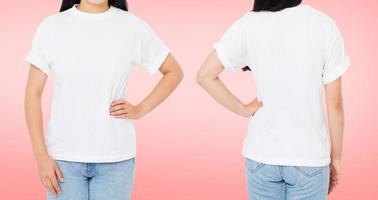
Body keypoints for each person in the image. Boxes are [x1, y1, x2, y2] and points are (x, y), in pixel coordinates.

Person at [24, 0, 183, 199]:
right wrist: (40, 156)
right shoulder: (52, 27)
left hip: (115, 160)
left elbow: (174, 71)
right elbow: (33, 94)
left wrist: (141, 109)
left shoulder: (131, 26)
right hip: (63, 160)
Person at [196, 0, 349, 199]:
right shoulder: (324, 25)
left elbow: (204, 75)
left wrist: (242, 109)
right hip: (308, 157)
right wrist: (336, 159)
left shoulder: (248, 24)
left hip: (261, 157)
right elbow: (334, 105)